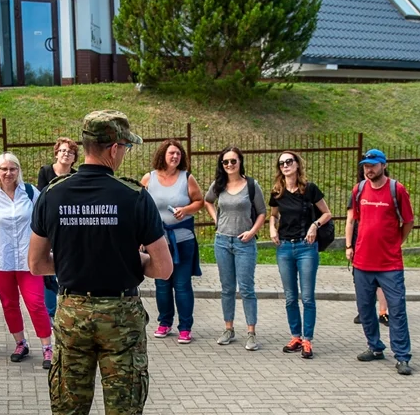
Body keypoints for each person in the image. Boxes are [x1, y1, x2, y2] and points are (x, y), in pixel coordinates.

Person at [29, 110, 171, 415]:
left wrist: (72, 266)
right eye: (125, 147)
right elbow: (163, 268)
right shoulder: (134, 197)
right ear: (113, 148)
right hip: (121, 319)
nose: (125, 153)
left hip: (72, 312)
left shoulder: (53, 195)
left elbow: (35, 263)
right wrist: (134, 262)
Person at [0, 153, 53, 366]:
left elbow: (44, 221)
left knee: (36, 303)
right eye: (4, 169)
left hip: (29, 260)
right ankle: (20, 343)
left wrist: (47, 250)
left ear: (18, 171)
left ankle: (47, 347)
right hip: (0, 260)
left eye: (12, 169)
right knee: (9, 304)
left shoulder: (30, 192)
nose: (8, 173)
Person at [345, 148, 415, 376]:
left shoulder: (397, 189)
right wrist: (350, 247)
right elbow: (355, 220)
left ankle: (402, 356)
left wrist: (396, 243)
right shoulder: (359, 190)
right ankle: (375, 347)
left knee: (396, 311)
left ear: (383, 165)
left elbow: (407, 222)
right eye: (365, 165)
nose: (368, 169)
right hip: (362, 262)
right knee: (365, 310)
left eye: (373, 165)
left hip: (389, 264)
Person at [268, 151, 331, 359]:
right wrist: (272, 228)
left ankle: (307, 340)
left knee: (307, 296)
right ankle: (295, 336)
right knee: (290, 297)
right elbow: (274, 215)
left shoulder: (309, 189)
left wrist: (315, 225)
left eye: (289, 161)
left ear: (297, 164)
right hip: (285, 247)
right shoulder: (277, 191)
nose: (285, 165)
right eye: (282, 163)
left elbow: (327, 213)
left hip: (306, 247)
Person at [141, 139, 204, 344]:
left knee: (182, 284)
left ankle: (185, 327)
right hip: (158, 241)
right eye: (171, 153)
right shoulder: (149, 178)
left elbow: (199, 202)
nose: (175, 156)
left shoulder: (187, 178)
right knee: (162, 283)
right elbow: (139, 206)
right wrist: (141, 236)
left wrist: (185, 210)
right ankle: (164, 322)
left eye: (178, 153)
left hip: (183, 240)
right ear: (163, 155)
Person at [204, 146, 266, 351]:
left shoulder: (251, 185)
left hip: (244, 243)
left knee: (247, 289)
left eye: (233, 161)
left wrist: (252, 231)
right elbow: (208, 201)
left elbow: (262, 213)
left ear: (240, 162)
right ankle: (228, 329)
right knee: (227, 288)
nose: (229, 165)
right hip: (222, 241)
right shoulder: (219, 185)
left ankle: (251, 333)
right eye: (225, 162)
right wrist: (216, 220)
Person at [38, 138, 78, 318]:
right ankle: (51, 314)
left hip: (70, 229)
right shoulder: (46, 172)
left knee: (68, 269)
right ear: (56, 153)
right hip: (49, 227)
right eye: (62, 151)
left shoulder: (77, 176)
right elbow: (42, 197)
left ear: (74, 158)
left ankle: (69, 308)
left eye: (70, 152)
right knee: (48, 273)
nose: (66, 154)